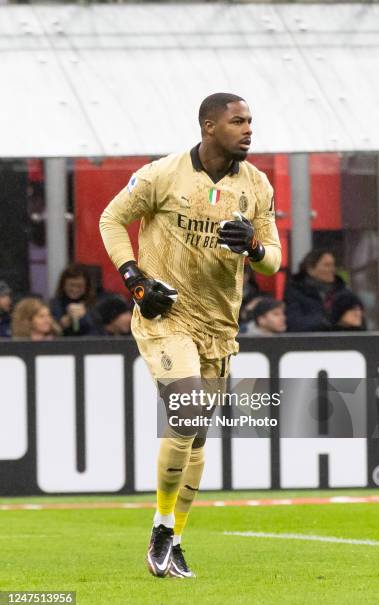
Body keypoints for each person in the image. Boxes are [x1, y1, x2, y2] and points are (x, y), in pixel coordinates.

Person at [100, 92, 281, 578]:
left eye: (250, 121)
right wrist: (134, 279)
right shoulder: (162, 175)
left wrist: (256, 245)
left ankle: (175, 539)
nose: (248, 129)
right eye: (237, 121)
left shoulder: (257, 185)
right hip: (166, 314)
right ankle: (161, 526)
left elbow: (274, 260)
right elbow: (111, 218)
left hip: (219, 324)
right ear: (208, 126)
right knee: (188, 407)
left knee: (197, 435)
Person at [284, 249, 346, 332]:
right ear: (310, 269)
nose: (333, 269)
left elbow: (360, 323)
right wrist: (328, 321)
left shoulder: (343, 292)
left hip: (342, 343)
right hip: (308, 343)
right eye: (327, 265)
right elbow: (294, 324)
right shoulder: (295, 292)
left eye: (333, 265)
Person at [50, 263, 97, 336]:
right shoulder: (55, 304)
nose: (74, 289)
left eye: (79, 286)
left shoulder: (94, 304)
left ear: (86, 287)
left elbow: (99, 330)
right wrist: (65, 321)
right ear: (63, 285)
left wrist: (84, 316)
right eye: (71, 285)